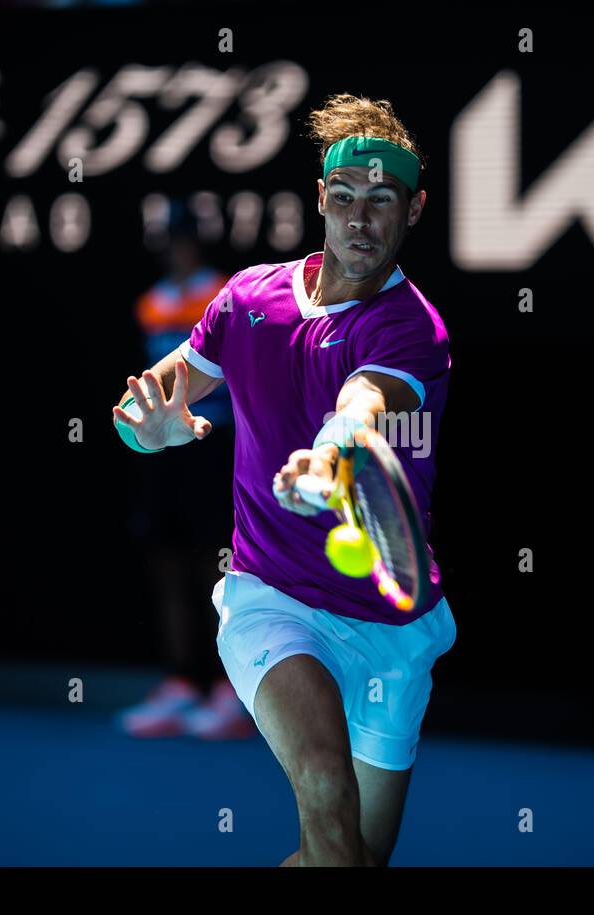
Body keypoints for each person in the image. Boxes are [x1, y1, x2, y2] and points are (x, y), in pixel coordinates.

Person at [112, 94, 455, 866]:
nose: (360, 222)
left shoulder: (412, 327)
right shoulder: (246, 301)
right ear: (320, 203)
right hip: (272, 601)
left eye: (381, 201)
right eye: (344, 200)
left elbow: (362, 402)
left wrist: (330, 454)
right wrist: (146, 433)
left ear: (414, 208)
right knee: (324, 789)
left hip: (391, 629)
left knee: (347, 859)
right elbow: (136, 407)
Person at [115, 212, 254, 740]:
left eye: (182, 243)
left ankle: (229, 690)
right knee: (167, 562)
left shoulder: (224, 296)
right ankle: (179, 683)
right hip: (162, 456)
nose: (175, 252)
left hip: (212, 448)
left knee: (214, 567)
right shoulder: (152, 301)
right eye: (168, 244)